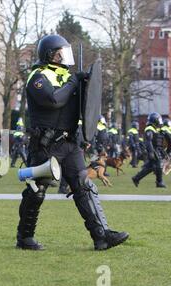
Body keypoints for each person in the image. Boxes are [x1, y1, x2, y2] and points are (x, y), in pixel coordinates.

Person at [17, 34, 128, 251]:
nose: (65, 57)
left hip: (70, 143)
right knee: (37, 190)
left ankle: (101, 236)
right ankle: (24, 237)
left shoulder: (69, 77)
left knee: (84, 187)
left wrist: (85, 84)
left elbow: (83, 108)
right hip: (45, 144)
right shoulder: (37, 77)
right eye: (61, 53)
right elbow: (54, 100)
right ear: (50, 55)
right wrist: (73, 81)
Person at [132, 112, 167, 188]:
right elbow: (148, 141)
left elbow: (157, 141)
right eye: (158, 120)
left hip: (155, 149)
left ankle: (136, 178)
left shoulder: (155, 129)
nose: (159, 121)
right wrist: (151, 152)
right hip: (152, 149)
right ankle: (159, 182)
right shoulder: (149, 129)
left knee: (150, 167)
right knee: (159, 165)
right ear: (155, 120)